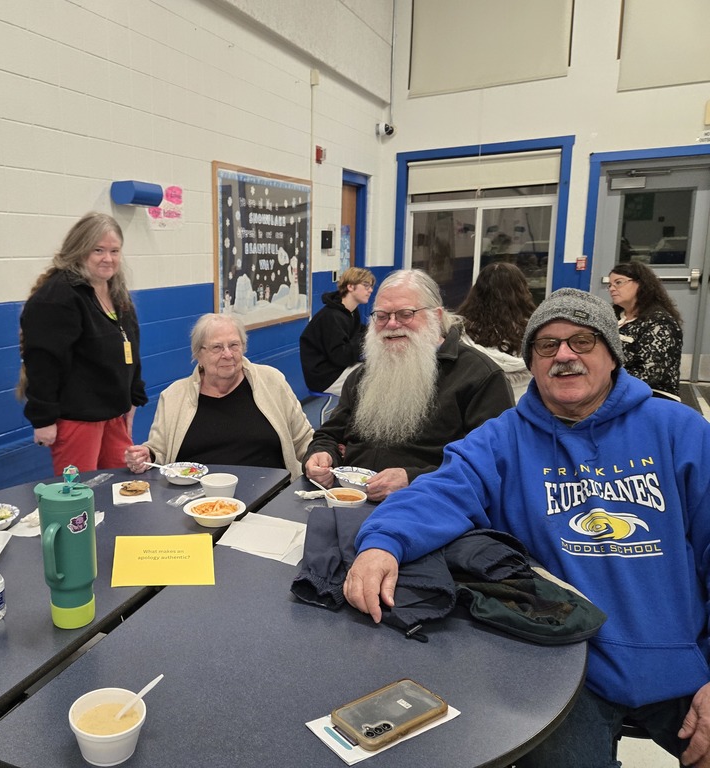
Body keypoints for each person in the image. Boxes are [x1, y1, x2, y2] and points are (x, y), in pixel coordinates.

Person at [343, 288, 710, 768]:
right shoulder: (503, 438)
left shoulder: (679, 430)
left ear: (612, 355)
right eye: (547, 345)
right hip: (566, 666)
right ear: (532, 362)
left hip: (681, 658)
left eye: (582, 341)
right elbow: (438, 492)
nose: (563, 355)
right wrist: (382, 545)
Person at [303, 269, 514, 501]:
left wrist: (412, 480)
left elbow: (494, 463)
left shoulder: (479, 375)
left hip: (431, 505)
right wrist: (321, 454)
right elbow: (330, 434)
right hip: (350, 499)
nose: (392, 324)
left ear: (436, 315)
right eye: (382, 316)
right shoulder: (363, 375)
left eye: (405, 314)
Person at [19, 212, 147, 475]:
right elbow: (43, 362)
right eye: (98, 250)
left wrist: (133, 397)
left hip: (113, 416)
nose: (108, 258)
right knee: (79, 496)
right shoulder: (58, 296)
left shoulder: (115, 291)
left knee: (122, 488)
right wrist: (43, 419)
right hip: (77, 419)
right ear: (79, 250)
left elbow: (130, 346)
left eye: (114, 250)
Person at [124, 313, 313, 480]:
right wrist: (147, 455)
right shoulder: (174, 396)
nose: (228, 354)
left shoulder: (272, 381)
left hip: (269, 498)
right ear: (198, 354)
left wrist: (319, 457)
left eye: (234, 345)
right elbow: (159, 450)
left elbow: (303, 438)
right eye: (217, 347)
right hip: (196, 503)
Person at [456, 262, 536, 401]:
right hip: (526, 405)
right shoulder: (536, 331)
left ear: (476, 292)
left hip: (481, 405)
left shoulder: (460, 332)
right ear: (522, 291)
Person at [607, 260, 683, 400]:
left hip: (653, 394)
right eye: (610, 285)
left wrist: (605, 379)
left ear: (641, 284)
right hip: (615, 388)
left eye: (618, 282)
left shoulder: (660, 321)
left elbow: (653, 373)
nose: (612, 288)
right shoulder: (615, 317)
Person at [299, 267, 375, 396]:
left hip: (337, 368)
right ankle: (349, 416)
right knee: (375, 386)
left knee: (381, 372)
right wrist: (366, 339)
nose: (370, 290)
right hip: (325, 377)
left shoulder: (350, 312)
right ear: (350, 286)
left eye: (371, 286)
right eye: (366, 285)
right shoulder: (332, 316)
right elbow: (341, 357)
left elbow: (358, 332)